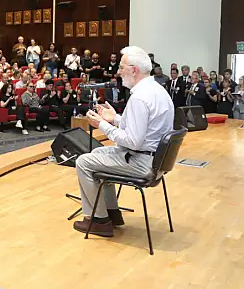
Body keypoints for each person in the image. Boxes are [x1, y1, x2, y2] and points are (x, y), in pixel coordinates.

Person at [74, 46, 174, 237]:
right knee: (97, 154)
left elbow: (133, 141)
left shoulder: (139, 98)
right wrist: (116, 118)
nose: (118, 72)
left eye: (121, 67)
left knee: (83, 162)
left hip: (142, 163)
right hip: (155, 161)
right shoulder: (158, 91)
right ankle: (113, 213)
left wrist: (102, 124)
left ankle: (98, 220)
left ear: (134, 70)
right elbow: (146, 129)